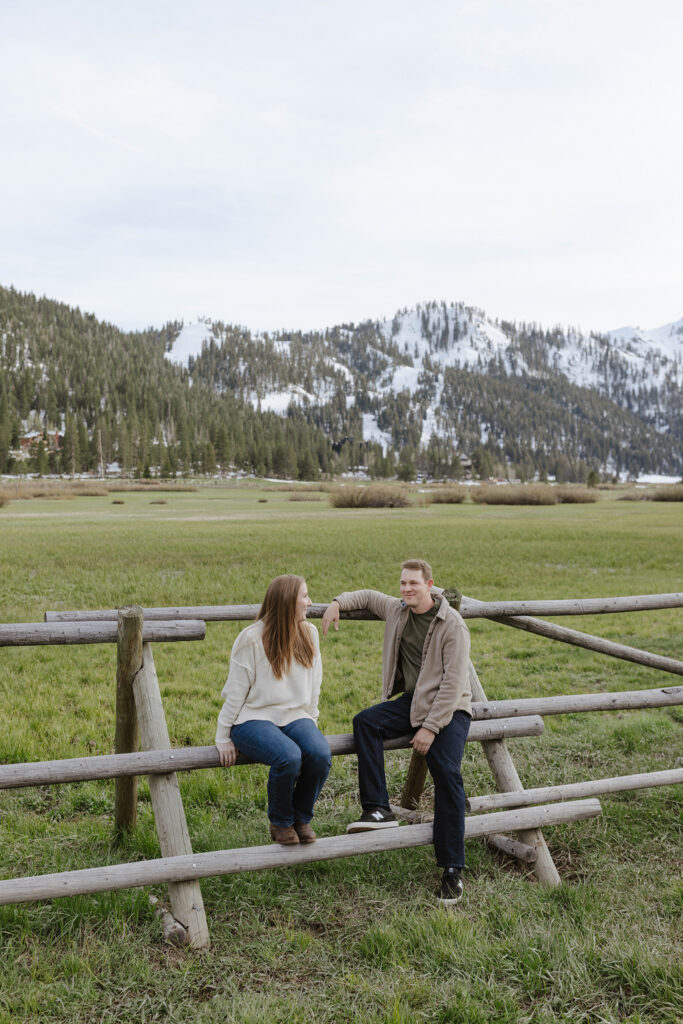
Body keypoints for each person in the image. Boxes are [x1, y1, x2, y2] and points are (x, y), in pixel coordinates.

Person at [321, 559, 471, 905]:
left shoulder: (452, 625)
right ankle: (378, 809)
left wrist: (431, 729)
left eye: (413, 584)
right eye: (403, 584)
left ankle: (452, 869)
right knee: (365, 722)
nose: (406, 590)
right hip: (413, 702)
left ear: (430, 584)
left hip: (449, 708)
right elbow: (368, 596)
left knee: (446, 772)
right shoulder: (398, 610)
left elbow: (453, 684)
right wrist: (337, 603)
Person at [216, 574, 332, 846]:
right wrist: (223, 736)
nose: (310, 602)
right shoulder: (251, 639)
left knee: (319, 753)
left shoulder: (309, 633)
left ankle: (301, 818)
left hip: (295, 716)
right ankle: (280, 822)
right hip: (252, 718)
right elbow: (235, 693)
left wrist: (311, 723)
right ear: (287, 601)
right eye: (304, 596)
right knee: (288, 756)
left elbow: (314, 685)